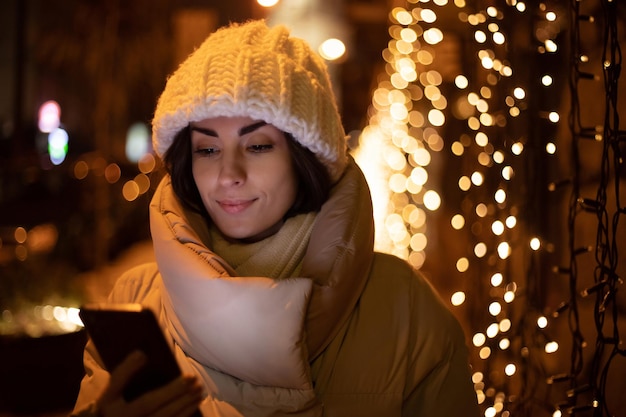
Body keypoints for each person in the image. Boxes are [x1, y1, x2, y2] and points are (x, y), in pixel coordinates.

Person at [72, 19, 480, 417]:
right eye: (208, 150)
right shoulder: (136, 298)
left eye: (258, 146)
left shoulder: (404, 307)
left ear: (306, 159)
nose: (229, 174)